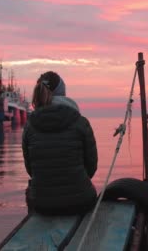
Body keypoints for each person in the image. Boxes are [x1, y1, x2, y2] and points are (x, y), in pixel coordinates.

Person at [22, 71, 98, 215]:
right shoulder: (81, 122)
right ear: (63, 93)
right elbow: (91, 168)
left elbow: (30, 169)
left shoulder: (29, 126)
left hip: (41, 205)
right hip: (80, 202)